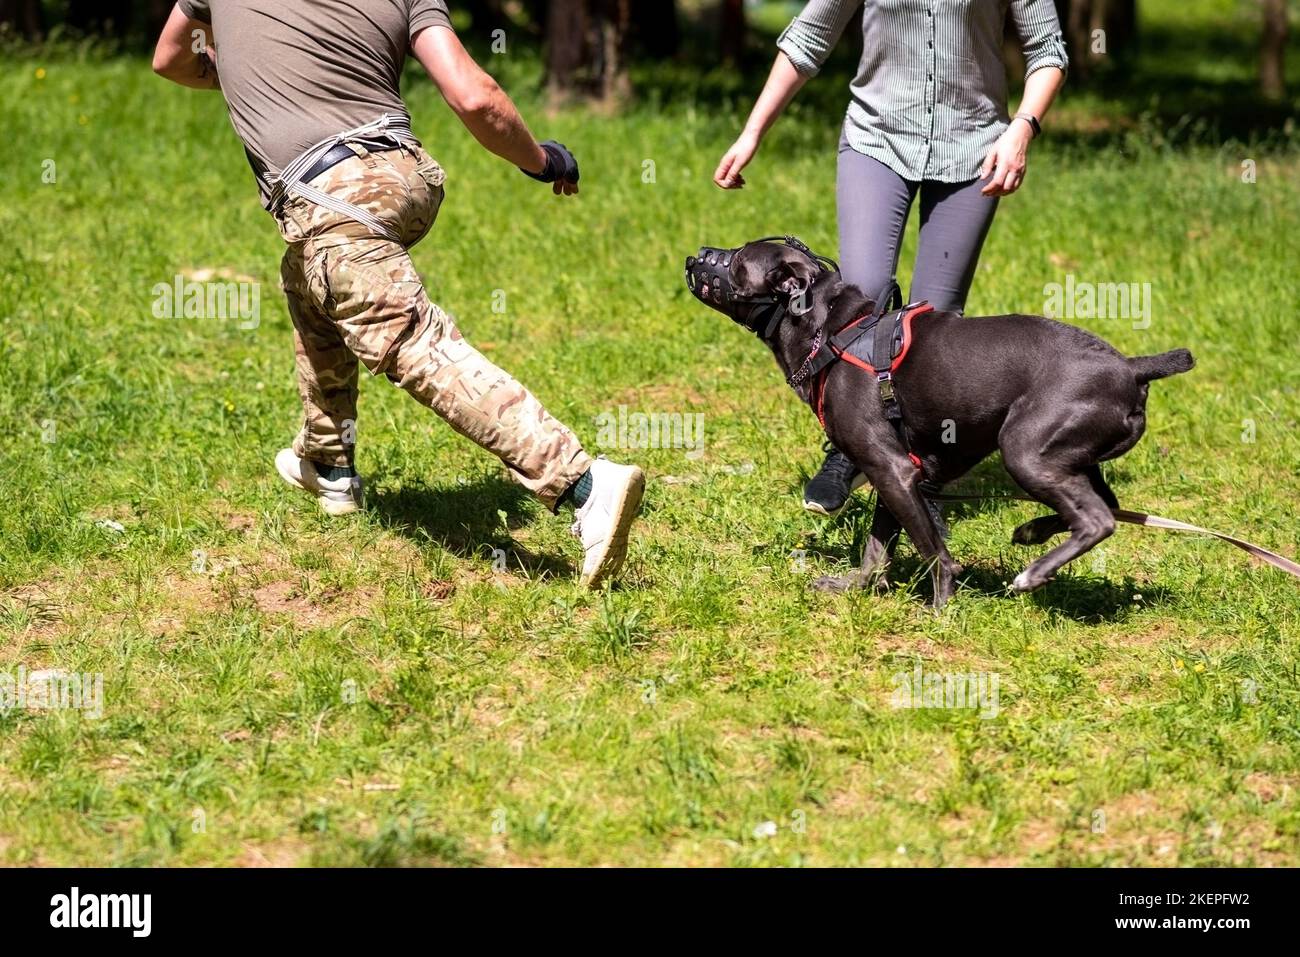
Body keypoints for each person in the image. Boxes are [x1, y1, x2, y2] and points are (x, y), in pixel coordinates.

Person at [152, 0, 643, 588]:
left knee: (411, 341)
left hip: (331, 191)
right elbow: (474, 96)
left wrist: (233, 68)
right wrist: (541, 160)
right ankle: (328, 461)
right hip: (406, 176)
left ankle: (584, 484)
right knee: (310, 275)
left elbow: (173, 57)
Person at [715, 0, 1067, 516]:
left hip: (973, 147)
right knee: (860, 296)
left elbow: (1048, 50)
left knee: (934, 331)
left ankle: (918, 464)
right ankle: (848, 447)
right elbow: (808, 38)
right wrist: (752, 133)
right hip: (876, 138)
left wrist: (1022, 128)